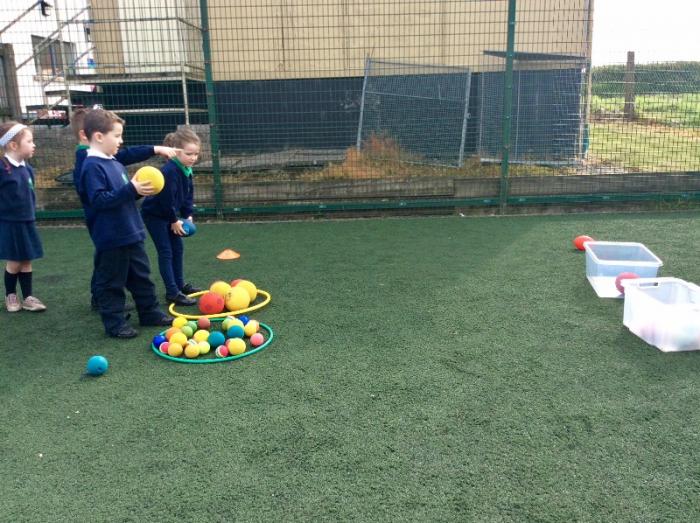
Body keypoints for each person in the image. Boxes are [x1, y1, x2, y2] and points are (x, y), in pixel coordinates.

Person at [71, 107, 178, 310]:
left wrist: (137, 191)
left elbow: (124, 167)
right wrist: (131, 188)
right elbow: (98, 199)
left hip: (127, 226)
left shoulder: (111, 160)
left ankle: (147, 311)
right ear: (92, 135)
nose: (121, 141)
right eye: (117, 136)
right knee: (110, 271)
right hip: (109, 228)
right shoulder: (90, 162)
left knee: (137, 273)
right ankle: (104, 304)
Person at [141, 127, 202, 305]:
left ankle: (180, 285)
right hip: (155, 215)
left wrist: (187, 214)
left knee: (178, 248)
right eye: (189, 154)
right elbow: (165, 200)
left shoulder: (186, 168)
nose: (193, 158)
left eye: (196, 154)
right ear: (176, 151)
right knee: (166, 251)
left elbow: (188, 194)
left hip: (169, 214)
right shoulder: (170, 171)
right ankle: (172, 292)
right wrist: (174, 220)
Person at [0, 122, 46, 313]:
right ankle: (10, 295)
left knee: (27, 259)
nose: (33, 145)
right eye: (29, 141)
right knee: (15, 261)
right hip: (10, 224)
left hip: (27, 221)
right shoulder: (2, 168)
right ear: (13, 145)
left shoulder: (28, 169)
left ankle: (28, 297)